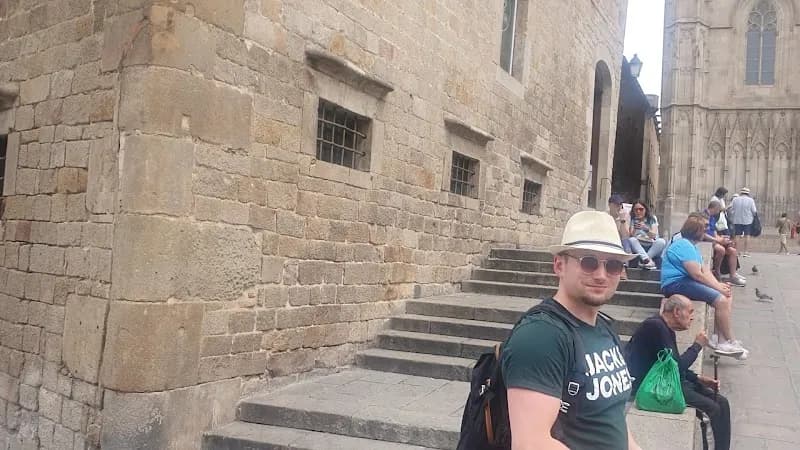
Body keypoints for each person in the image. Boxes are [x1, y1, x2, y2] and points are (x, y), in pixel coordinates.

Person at [502, 211, 642, 450]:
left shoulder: (605, 329)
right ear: (559, 265)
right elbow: (531, 443)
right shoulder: (540, 337)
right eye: (588, 262)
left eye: (613, 265)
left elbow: (610, 417)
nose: (601, 275)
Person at [626, 295, 731, 450]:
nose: (692, 317)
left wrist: (698, 378)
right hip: (655, 386)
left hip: (670, 380)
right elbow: (675, 367)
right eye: (690, 312)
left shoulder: (665, 329)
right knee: (712, 409)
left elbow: (673, 365)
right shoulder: (655, 327)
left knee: (722, 402)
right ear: (676, 311)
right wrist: (697, 346)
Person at [660, 214, 748, 358]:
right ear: (696, 231)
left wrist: (718, 285)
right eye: (704, 229)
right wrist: (717, 288)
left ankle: (719, 338)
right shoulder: (683, 245)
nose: (706, 233)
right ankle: (729, 341)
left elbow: (705, 271)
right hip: (675, 283)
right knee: (720, 300)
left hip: (684, 281)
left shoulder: (692, 247)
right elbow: (697, 274)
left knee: (726, 295)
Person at [703, 201, 746, 286]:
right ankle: (717, 272)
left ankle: (732, 276)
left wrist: (722, 239)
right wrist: (718, 240)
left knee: (732, 251)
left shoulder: (712, 217)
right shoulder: (704, 216)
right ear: (715, 209)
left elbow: (714, 231)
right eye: (718, 210)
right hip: (706, 241)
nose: (719, 213)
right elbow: (703, 233)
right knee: (721, 250)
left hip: (713, 239)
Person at [627, 200, 667, 270]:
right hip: (639, 246)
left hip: (651, 245)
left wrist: (646, 229)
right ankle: (647, 261)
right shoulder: (633, 220)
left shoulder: (652, 219)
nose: (638, 212)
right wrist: (635, 229)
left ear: (645, 209)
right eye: (636, 210)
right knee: (631, 240)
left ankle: (645, 259)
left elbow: (654, 235)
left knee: (661, 241)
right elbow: (631, 236)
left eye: (641, 209)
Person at [728, 187, 757, 257]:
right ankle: (746, 252)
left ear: (741, 193)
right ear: (748, 193)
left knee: (737, 235)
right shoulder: (751, 200)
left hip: (737, 220)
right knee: (747, 235)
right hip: (748, 220)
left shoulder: (735, 199)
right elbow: (754, 211)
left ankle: (737, 251)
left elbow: (731, 209)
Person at [608, 194, 631, 279]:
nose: (619, 207)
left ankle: (623, 268)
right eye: (616, 205)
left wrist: (622, 221)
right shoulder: (605, 216)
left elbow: (625, 235)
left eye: (620, 205)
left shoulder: (625, 217)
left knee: (625, 241)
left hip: (620, 241)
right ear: (610, 205)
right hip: (608, 240)